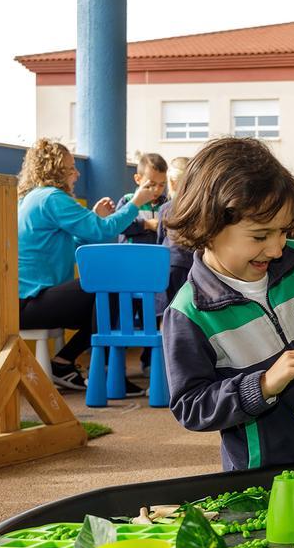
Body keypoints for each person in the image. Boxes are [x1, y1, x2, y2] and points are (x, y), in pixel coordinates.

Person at [162, 137, 294, 470]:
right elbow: (192, 405)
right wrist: (261, 386)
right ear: (207, 227)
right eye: (261, 236)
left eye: (284, 231)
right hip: (264, 475)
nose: (277, 249)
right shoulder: (190, 313)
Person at [17, 138, 161, 394]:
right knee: (113, 287)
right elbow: (103, 230)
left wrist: (95, 219)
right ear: (55, 170)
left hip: (28, 301)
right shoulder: (52, 198)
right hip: (33, 301)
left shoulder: (34, 197)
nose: (77, 173)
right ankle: (100, 371)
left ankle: (66, 363)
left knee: (106, 300)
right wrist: (136, 203)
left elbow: (76, 245)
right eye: (71, 168)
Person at [155, 156, 192, 315]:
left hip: (167, 266)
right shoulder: (200, 207)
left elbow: (159, 240)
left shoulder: (166, 208)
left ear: (172, 182)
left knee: (166, 312)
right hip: (192, 267)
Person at [115, 153, 169, 244]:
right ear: (138, 179)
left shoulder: (166, 204)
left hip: (156, 255)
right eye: (152, 183)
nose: (156, 189)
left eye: (162, 184)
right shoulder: (127, 201)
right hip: (131, 255)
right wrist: (146, 224)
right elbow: (119, 226)